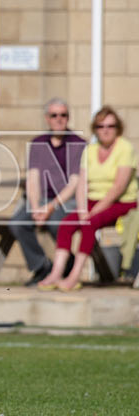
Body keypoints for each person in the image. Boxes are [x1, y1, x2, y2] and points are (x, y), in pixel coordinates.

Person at [38, 106, 138, 291]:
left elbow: (118, 187)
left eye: (110, 125)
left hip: (122, 203)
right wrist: (83, 208)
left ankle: (75, 275)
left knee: (89, 223)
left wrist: (93, 211)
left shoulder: (125, 148)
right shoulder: (90, 150)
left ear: (118, 128)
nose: (105, 130)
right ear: (95, 129)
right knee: (67, 223)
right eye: (100, 126)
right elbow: (82, 183)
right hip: (93, 202)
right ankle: (56, 273)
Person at [8, 98, 85, 287]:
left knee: (56, 221)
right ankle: (41, 266)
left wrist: (50, 207)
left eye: (63, 115)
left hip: (68, 200)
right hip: (41, 199)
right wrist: (36, 208)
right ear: (47, 118)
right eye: (54, 115)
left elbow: (75, 183)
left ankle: (65, 264)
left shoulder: (78, 143)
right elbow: (33, 179)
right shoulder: (38, 143)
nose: (59, 119)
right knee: (17, 223)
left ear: (68, 118)